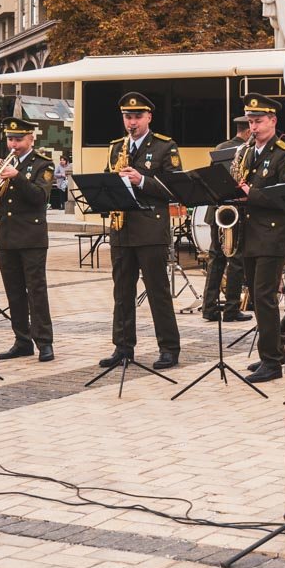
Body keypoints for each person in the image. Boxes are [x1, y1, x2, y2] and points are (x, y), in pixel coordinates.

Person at [97, 92, 183, 372]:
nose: (131, 122)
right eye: (127, 117)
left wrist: (142, 180)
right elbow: (105, 183)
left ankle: (169, 348)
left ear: (149, 117)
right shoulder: (115, 147)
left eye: (137, 117)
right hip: (121, 230)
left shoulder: (164, 147)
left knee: (158, 290)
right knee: (122, 292)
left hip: (150, 229)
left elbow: (174, 188)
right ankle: (123, 347)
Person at [0, 118, 55, 362]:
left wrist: (17, 177)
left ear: (31, 139)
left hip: (31, 237)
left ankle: (44, 342)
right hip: (6, 236)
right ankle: (22, 340)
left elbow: (39, 197)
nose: (14, 144)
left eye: (19, 139)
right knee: (14, 292)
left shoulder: (43, 165)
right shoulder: (6, 165)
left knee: (36, 291)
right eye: (11, 139)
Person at [235, 94, 285, 383]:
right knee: (257, 298)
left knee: (265, 297)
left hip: (273, 234)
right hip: (250, 233)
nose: (254, 127)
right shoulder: (248, 152)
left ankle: (271, 362)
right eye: (250, 121)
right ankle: (271, 352)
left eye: (258, 121)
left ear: (272, 120)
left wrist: (252, 194)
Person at [202, 116, 252, 322]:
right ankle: (231, 308)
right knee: (236, 260)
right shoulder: (246, 151)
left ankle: (209, 307)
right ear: (248, 131)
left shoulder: (221, 147)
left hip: (217, 211)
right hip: (234, 211)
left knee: (215, 258)